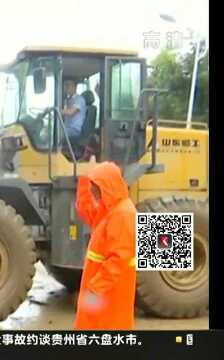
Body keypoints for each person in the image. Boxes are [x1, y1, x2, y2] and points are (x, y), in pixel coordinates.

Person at [74, 162, 137, 330]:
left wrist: (96, 288)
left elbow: (120, 258)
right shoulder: (111, 208)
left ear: (107, 186)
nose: (93, 190)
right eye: (93, 186)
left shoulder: (123, 214)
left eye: (95, 186)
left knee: (107, 328)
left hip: (109, 289)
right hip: (102, 287)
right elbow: (87, 211)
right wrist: (83, 183)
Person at [61, 79, 87, 144]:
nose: (66, 88)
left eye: (68, 85)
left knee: (54, 134)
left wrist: (56, 111)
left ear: (75, 87)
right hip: (67, 128)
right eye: (65, 85)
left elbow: (71, 112)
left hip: (74, 130)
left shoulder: (79, 99)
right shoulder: (68, 99)